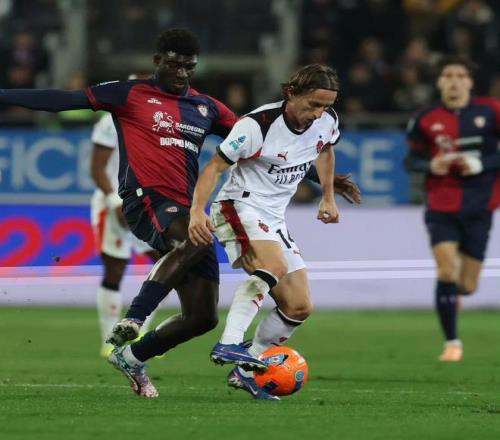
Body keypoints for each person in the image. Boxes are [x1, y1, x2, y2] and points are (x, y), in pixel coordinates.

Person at [0, 28, 361, 398]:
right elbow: (63, 100)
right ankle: (135, 317)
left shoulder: (206, 108)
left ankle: (132, 357)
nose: (182, 73)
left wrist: (324, 180)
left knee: (202, 317)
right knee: (194, 238)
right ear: (158, 61)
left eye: (189, 66)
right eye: (174, 65)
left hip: (185, 207)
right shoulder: (129, 93)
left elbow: (263, 148)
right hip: (145, 198)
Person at [189, 64, 341, 400]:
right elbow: (214, 167)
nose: (319, 114)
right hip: (238, 205)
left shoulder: (327, 121)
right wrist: (196, 211)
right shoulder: (256, 126)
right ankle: (230, 342)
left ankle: (245, 369)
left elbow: (325, 149)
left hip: (274, 217)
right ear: (292, 93)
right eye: (313, 104)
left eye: (326, 106)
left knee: (299, 306)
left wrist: (328, 196)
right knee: (274, 266)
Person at [405, 55, 500, 362]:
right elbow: (411, 160)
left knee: (467, 286)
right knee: (446, 270)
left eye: (460, 75)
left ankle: (451, 295)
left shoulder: (491, 111)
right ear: (439, 82)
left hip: (481, 206)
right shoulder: (425, 118)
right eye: (448, 75)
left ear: (470, 82)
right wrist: (430, 165)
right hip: (441, 205)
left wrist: (482, 163)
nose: (454, 81)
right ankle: (452, 343)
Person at [89, 110, 160, 358]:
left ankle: (140, 333)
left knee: (165, 264)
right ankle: (109, 340)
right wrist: (113, 201)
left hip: (147, 202)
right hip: (114, 203)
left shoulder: (161, 117)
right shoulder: (111, 120)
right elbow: (97, 167)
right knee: (115, 269)